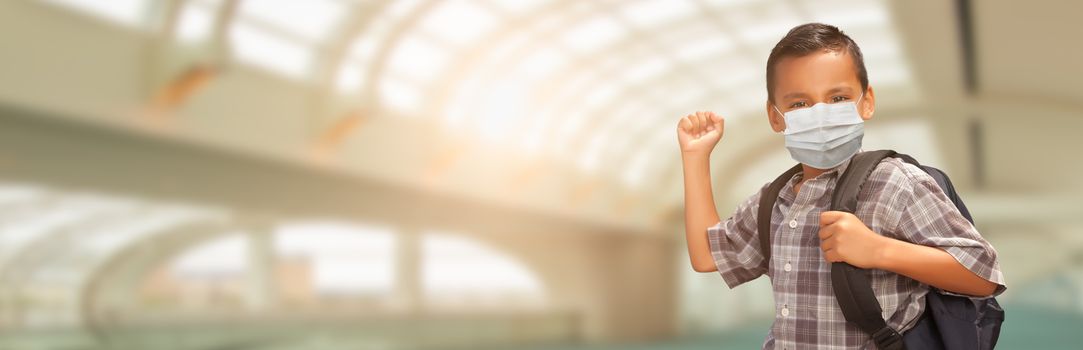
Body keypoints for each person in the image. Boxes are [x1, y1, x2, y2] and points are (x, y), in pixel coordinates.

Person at [677, 23, 1005, 349]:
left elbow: (983, 274)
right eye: (799, 104)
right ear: (776, 117)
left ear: (866, 101)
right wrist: (695, 158)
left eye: (838, 97)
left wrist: (879, 250)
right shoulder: (774, 200)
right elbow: (708, 256)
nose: (820, 114)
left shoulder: (896, 183)